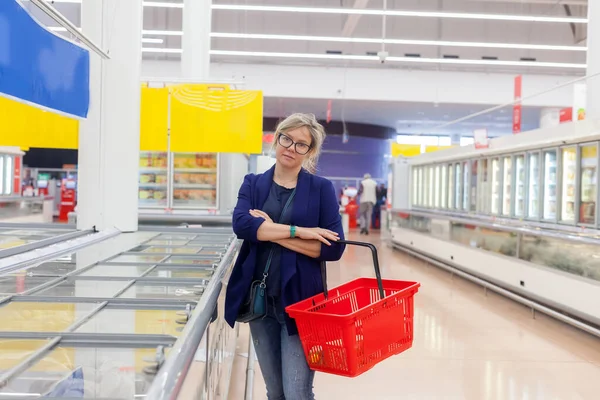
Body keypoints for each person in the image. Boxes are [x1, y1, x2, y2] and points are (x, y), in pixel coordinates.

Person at [225, 113, 346, 400]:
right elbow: (242, 225)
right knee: (275, 392)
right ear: (276, 138)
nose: (291, 148)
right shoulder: (254, 183)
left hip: (302, 303)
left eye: (301, 144)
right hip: (260, 302)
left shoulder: (320, 189)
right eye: (286, 139)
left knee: (297, 392)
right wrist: (300, 231)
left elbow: (334, 248)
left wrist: (269, 230)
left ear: (310, 151)